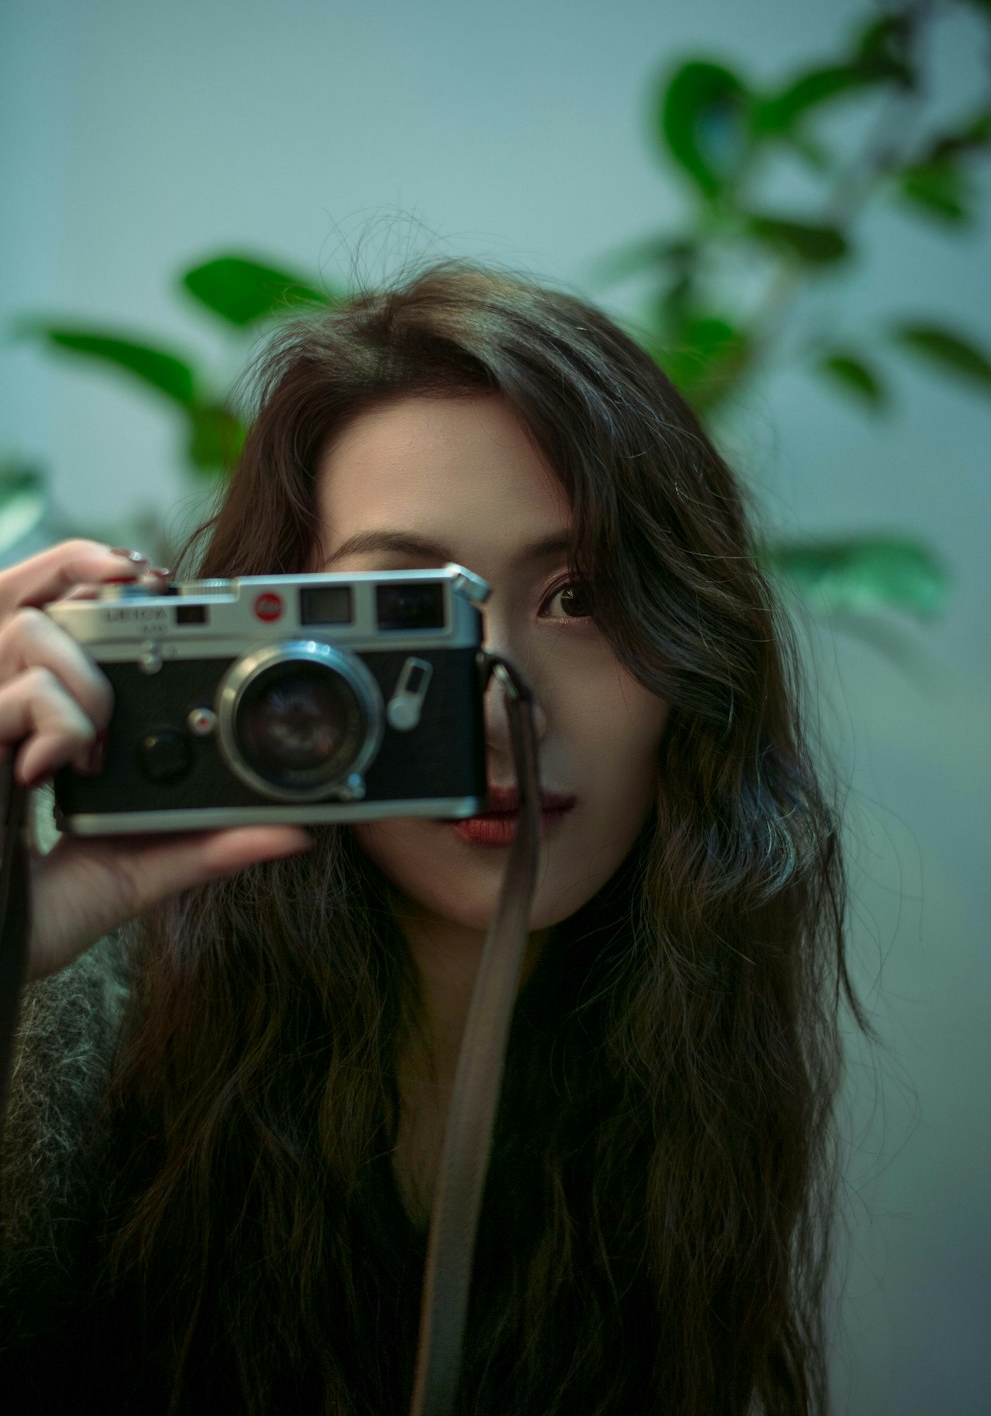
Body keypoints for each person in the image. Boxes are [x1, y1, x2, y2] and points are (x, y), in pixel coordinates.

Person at [0, 263, 866, 1415]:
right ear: (272, 652)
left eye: (581, 596)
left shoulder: (679, 1054)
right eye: (412, 614)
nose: (508, 703)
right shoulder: (83, 1036)